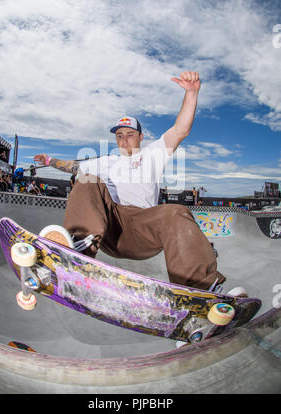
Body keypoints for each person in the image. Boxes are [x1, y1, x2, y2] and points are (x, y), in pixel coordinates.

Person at [34, 71, 226, 292]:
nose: (124, 140)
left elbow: (180, 129)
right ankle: (77, 250)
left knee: (176, 211)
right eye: (120, 135)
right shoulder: (105, 161)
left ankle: (199, 289)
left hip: (143, 229)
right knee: (86, 178)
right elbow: (73, 167)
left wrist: (192, 93)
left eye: (130, 134)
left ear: (141, 137)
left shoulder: (152, 155)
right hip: (108, 228)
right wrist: (50, 160)